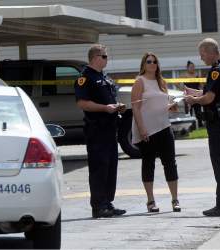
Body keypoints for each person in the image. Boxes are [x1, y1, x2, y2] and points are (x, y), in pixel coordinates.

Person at [185, 38, 220, 217]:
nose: (201, 58)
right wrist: (193, 93)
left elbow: (209, 99)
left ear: (210, 51)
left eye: (202, 54)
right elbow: (210, 93)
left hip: (218, 121)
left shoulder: (216, 71)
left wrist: (194, 101)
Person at [74, 44, 127, 218]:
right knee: (99, 167)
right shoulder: (85, 77)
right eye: (104, 56)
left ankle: (107, 203)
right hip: (96, 130)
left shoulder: (105, 77)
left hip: (111, 129)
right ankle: (98, 206)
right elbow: (82, 103)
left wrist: (117, 107)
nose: (106, 59)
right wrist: (105, 108)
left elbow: (110, 99)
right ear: (95, 57)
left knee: (111, 166)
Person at [131, 52, 181, 213]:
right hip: (148, 130)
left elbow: (162, 106)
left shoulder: (162, 82)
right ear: (143, 64)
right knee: (148, 164)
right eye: (149, 61)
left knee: (170, 163)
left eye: (154, 62)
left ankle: (175, 199)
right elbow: (136, 108)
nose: (152, 64)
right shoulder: (140, 81)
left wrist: (171, 107)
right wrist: (141, 128)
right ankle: (150, 201)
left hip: (164, 127)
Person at [183, 61, 203, 127]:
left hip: (197, 95)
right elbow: (176, 82)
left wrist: (202, 91)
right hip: (188, 96)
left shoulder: (197, 75)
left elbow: (201, 85)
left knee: (198, 111)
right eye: (191, 67)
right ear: (187, 68)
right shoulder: (184, 75)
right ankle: (190, 126)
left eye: (193, 67)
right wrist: (182, 88)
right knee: (189, 111)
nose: (192, 68)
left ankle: (200, 124)